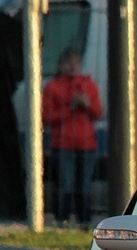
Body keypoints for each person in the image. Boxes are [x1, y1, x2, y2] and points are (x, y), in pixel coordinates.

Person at [42, 49, 102, 226]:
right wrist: (70, 108)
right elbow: (47, 117)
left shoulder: (88, 85)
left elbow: (97, 112)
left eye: (75, 63)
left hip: (86, 143)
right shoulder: (53, 87)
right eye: (68, 63)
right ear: (61, 65)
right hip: (63, 143)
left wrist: (87, 105)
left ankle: (85, 221)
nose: (72, 67)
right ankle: (63, 220)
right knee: (65, 184)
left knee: (84, 186)